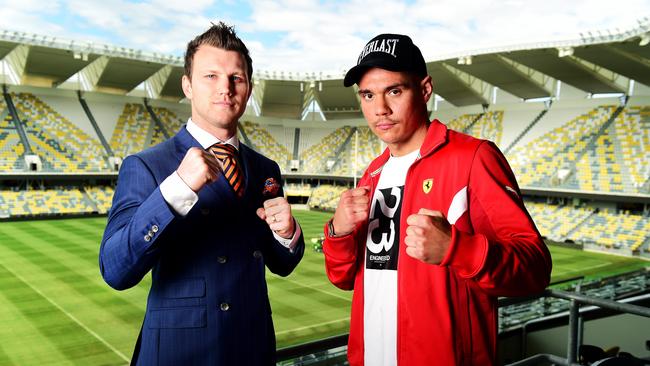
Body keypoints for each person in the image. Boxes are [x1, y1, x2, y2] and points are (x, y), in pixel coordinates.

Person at [323, 33, 552, 366]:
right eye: (368, 95)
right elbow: (344, 279)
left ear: (425, 90)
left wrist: (459, 250)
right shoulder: (372, 173)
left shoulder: (473, 158)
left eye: (395, 91)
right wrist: (339, 232)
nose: (380, 109)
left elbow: (535, 268)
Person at [99, 22, 304, 366]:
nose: (225, 88)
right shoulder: (148, 165)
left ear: (248, 89)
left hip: (253, 350)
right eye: (210, 76)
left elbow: (280, 264)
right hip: (182, 354)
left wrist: (286, 236)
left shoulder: (265, 168)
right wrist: (177, 187)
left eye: (236, 78)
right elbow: (116, 270)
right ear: (188, 86)